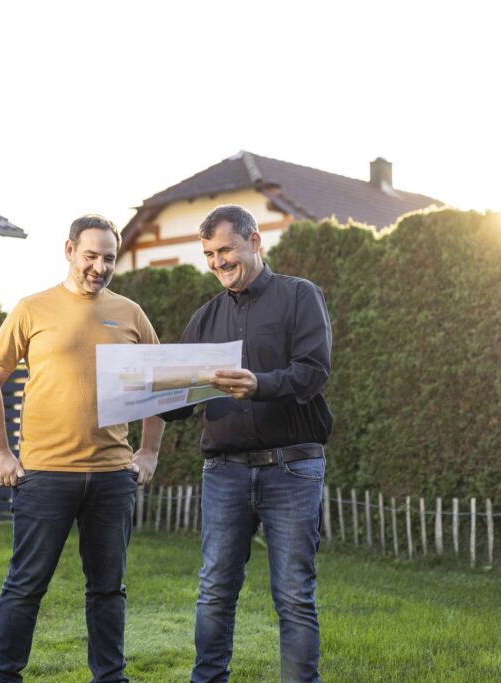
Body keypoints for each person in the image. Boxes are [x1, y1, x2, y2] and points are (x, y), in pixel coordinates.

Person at [0, 214, 165, 683]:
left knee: (107, 589)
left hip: (111, 477)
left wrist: (148, 454)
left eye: (108, 258)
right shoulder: (32, 309)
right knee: (25, 585)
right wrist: (0, 454)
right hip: (44, 476)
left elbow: (159, 386)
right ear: (69, 251)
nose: (99, 266)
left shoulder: (130, 313)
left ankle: (110, 676)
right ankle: (2, 677)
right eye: (91, 255)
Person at [161, 204, 333, 683]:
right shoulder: (204, 318)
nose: (217, 261)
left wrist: (259, 384)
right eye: (209, 254)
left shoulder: (300, 296)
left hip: (292, 468)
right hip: (224, 473)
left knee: (294, 594)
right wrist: (140, 392)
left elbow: (313, 372)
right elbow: (178, 404)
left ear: (255, 242)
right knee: (215, 590)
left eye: (225, 249)